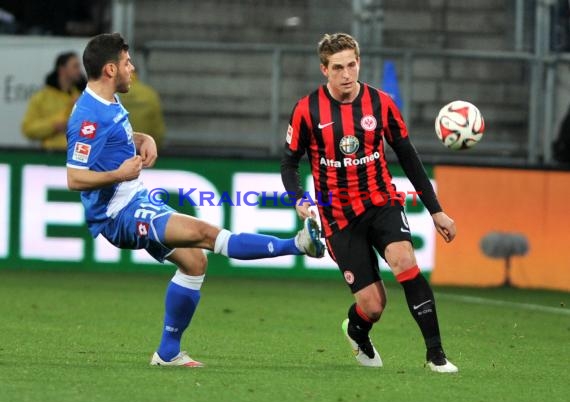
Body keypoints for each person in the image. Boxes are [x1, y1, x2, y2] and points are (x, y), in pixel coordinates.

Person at [66, 33, 325, 368]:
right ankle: (299, 243)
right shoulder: (88, 117)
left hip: (135, 199)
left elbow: (115, 138)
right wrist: (120, 173)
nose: (133, 68)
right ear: (110, 69)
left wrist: (141, 138)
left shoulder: (108, 100)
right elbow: (74, 178)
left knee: (194, 263)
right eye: (127, 62)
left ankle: (168, 353)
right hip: (118, 214)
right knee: (206, 234)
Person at [281, 33, 458, 373]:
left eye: (351, 65)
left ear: (358, 63)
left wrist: (436, 209)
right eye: (337, 68)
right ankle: (357, 329)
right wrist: (298, 197)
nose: (346, 74)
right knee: (373, 305)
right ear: (324, 69)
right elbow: (289, 162)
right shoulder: (307, 110)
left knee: (405, 260)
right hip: (338, 217)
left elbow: (408, 156)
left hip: (381, 202)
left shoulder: (381, 104)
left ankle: (436, 355)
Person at [22, 51, 85, 150]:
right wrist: (53, 126)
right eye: (75, 66)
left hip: (78, 155)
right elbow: (28, 129)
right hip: (51, 156)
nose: (79, 70)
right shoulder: (42, 97)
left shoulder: (82, 97)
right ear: (62, 69)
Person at [119, 73, 166, 148]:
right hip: (143, 147)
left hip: (117, 148)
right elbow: (157, 128)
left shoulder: (111, 93)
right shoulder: (148, 93)